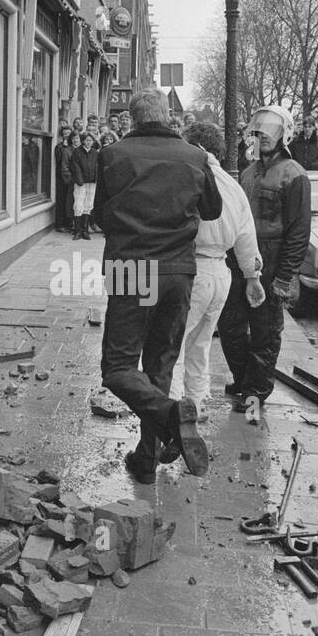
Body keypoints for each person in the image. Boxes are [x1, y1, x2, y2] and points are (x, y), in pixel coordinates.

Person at [92, 89, 222, 484]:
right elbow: (212, 210)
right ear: (167, 116)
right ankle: (146, 460)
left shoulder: (112, 156)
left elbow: (100, 214)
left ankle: (168, 416)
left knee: (118, 368)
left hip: (132, 269)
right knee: (160, 365)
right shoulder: (195, 157)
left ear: (131, 119)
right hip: (178, 273)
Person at [218, 105, 310, 413]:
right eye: (258, 131)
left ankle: (256, 390)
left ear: (284, 134)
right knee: (230, 324)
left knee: (265, 331)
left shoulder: (294, 174)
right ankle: (244, 378)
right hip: (241, 256)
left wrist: (286, 275)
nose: (263, 137)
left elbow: (298, 231)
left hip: (272, 259)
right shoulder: (248, 172)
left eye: (270, 132)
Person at [172, 123, 264, 421]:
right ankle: (196, 403)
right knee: (199, 343)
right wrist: (252, 276)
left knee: (173, 343)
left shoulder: (189, 175)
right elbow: (246, 236)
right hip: (221, 272)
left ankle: (173, 408)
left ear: (194, 145)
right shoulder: (232, 185)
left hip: (193, 267)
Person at [70, 131, 100, 239]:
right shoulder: (77, 152)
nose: (88, 142)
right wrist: (80, 181)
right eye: (87, 140)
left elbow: (97, 166)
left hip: (92, 182)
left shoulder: (95, 153)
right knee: (78, 204)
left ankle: (85, 230)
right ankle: (78, 231)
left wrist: (96, 179)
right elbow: (75, 167)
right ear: (83, 141)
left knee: (88, 204)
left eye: (90, 140)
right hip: (80, 182)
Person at [54, 125, 74, 232]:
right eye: (65, 133)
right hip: (61, 178)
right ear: (62, 135)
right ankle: (60, 224)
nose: (67, 135)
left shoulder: (73, 147)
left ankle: (68, 224)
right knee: (61, 201)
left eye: (69, 133)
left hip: (71, 177)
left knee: (69, 202)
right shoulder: (59, 147)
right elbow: (59, 160)